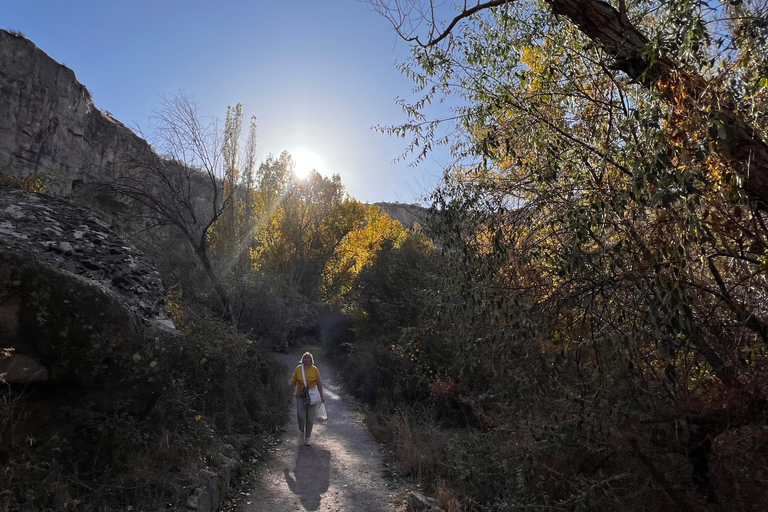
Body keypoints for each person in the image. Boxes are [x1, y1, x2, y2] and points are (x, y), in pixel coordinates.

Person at [289, 351, 325, 446]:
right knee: (301, 415)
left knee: (310, 417)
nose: (306, 359)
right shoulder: (298, 369)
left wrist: (322, 396)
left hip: (312, 396)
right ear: (302, 359)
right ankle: (302, 432)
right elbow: (293, 382)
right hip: (301, 395)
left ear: (311, 360)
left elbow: (319, 383)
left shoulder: (315, 370)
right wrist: (291, 395)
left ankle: (307, 437)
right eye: (305, 358)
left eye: (308, 358)